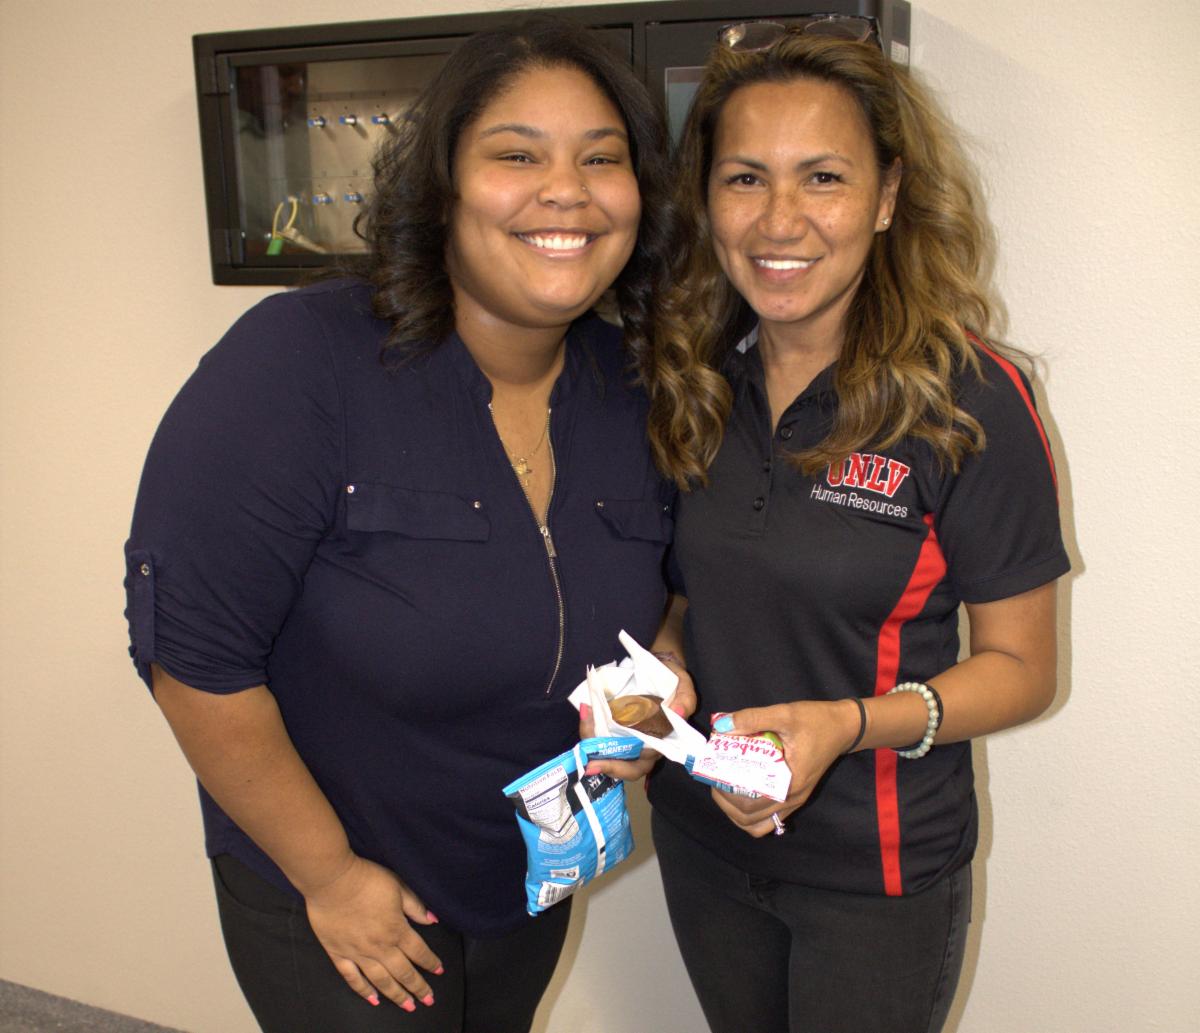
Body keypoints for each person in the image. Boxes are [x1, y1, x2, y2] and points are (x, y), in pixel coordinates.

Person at [123, 17, 686, 1033]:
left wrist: (654, 687)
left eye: (602, 159)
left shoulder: (632, 385)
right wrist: (330, 875)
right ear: (441, 189)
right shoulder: (302, 365)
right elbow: (192, 656)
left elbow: (667, 584)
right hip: (341, 881)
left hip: (525, 862)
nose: (566, 189)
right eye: (517, 154)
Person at [633, 18, 1070, 1033]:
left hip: (874, 871)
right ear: (708, 199)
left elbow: (1022, 666)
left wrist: (846, 723)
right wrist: (660, 664)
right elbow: (696, 591)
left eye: (822, 177)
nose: (779, 219)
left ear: (886, 197)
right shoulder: (692, 375)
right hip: (707, 844)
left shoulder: (968, 398)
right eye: (745, 178)